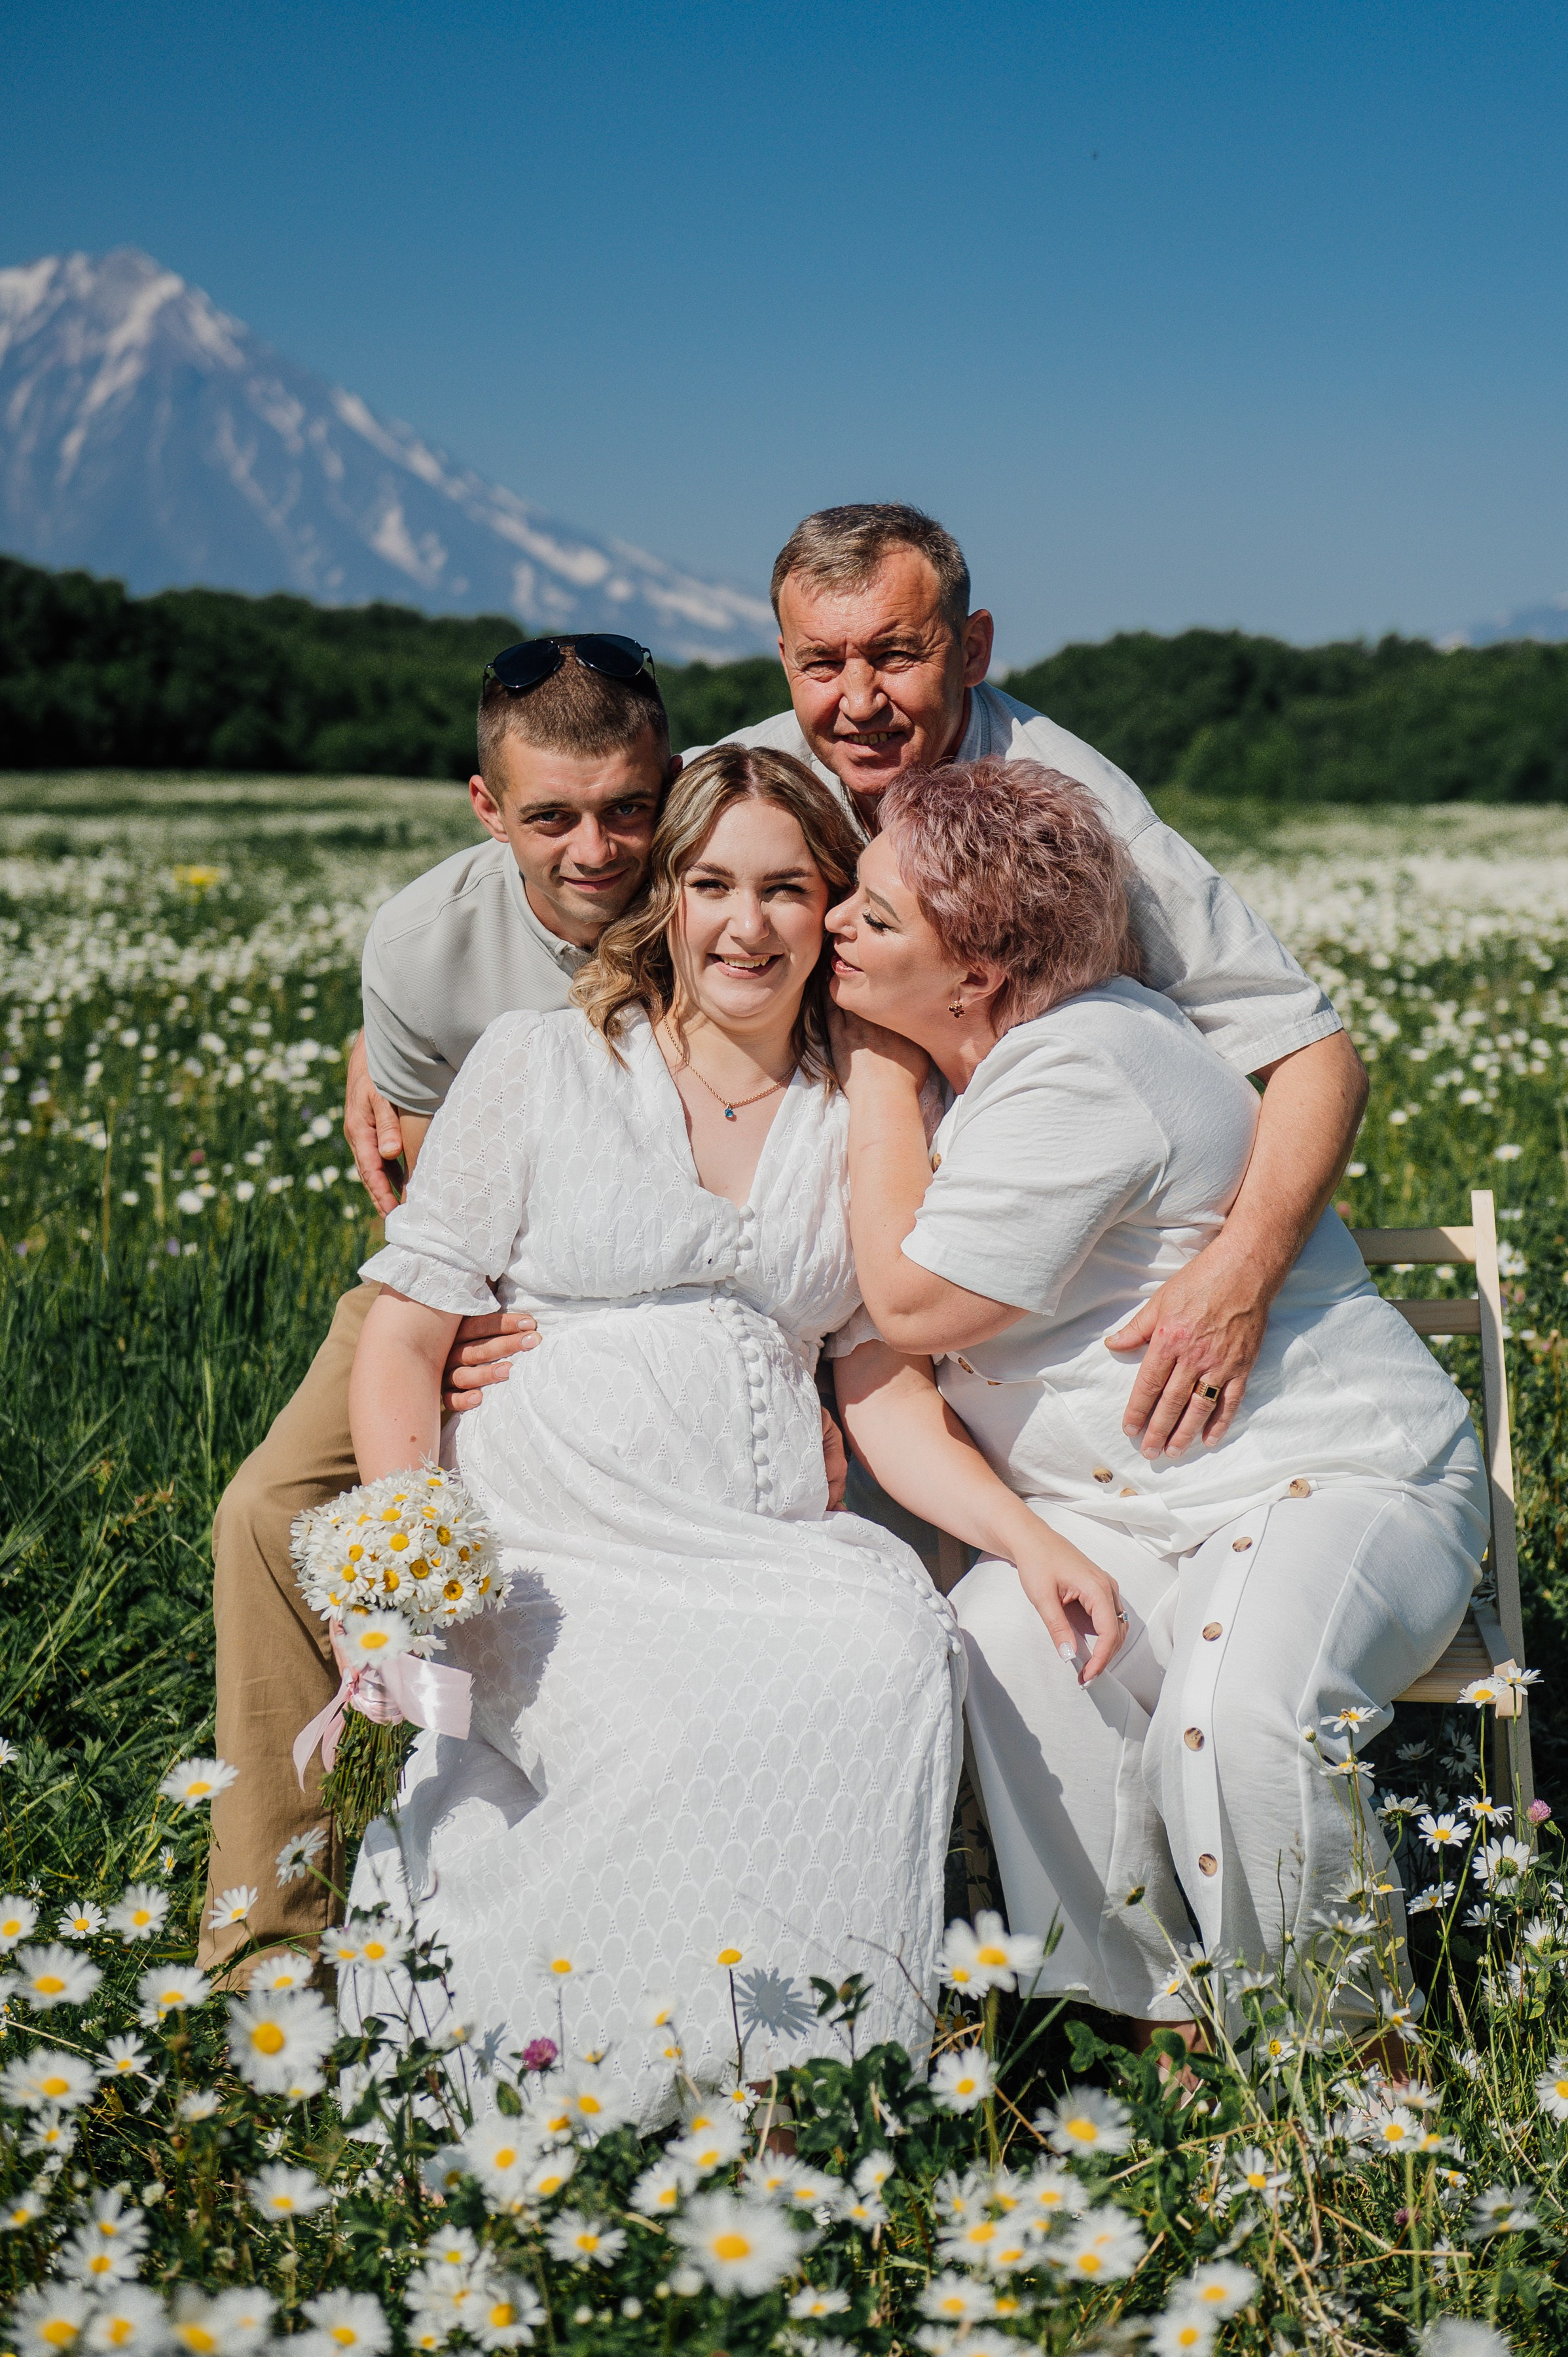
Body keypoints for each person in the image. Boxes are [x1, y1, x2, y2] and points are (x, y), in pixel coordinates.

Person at [338, 747, 1093, 2119]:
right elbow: (403, 1327)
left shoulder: (866, 1114)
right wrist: (404, 1541)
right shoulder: (541, 1063)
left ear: (833, 911)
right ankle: (572, 2078)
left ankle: (800, 2071)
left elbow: (876, 1378)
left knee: (883, 1655)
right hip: (552, 1551)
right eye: (711, 885)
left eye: (787, 890)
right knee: (665, 1732)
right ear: (667, 901)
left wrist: (1022, 1539)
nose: (745, 927)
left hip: (756, 1545)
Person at [825, 758, 1486, 2028]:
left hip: (1330, 1479)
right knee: (1004, 1640)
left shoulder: (1088, 1065)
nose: (838, 928)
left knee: (1239, 1709)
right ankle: (1153, 2027)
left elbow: (903, 1309)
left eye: (876, 916)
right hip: (1135, 1516)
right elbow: (880, 1366)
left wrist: (863, 1074)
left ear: (975, 976)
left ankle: (1343, 2058)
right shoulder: (975, 1076)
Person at [200, 636, 682, 1973]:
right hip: (474, 1279)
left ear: (673, 783)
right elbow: (409, 1209)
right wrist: (449, 1343)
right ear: (487, 808)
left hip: (676, 1284)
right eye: (551, 817)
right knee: (266, 1509)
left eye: (627, 807)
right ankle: (262, 1945)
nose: (596, 848)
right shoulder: (421, 947)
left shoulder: (729, 884)